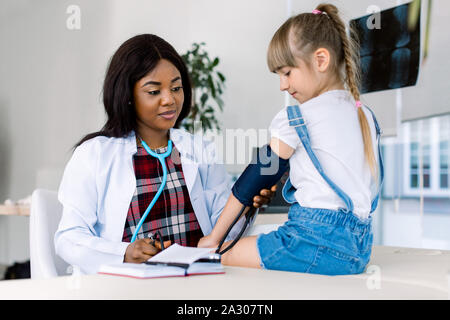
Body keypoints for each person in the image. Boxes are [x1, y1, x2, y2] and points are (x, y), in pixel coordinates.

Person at [54, 34, 276, 275]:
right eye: (153, 91)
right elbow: (69, 238)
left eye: (176, 88)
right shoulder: (95, 154)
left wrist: (245, 207)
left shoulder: (199, 149)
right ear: (127, 95)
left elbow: (222, 235)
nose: (169, 100)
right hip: (127, 285)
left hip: (195, 279)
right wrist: (124, 253)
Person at [198, 3, 384, 276]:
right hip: (360, 248)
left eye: (287, 73)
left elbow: (253, 180)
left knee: (220, 254)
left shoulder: (298, 117)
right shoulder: (365, 115)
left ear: (321, 60)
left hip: (311, 242)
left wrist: (214, 239)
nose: (283, 85)